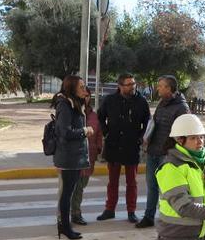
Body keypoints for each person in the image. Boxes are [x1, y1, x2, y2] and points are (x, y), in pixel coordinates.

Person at [136, 75, 190, 229]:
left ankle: (170, 218)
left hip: (167, 154)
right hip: (153, 150)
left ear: (169, 88)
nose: (158, 88)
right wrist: (147, 136)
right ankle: (148, 216)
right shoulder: (162, 103)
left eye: (161, 86)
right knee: (151, 185)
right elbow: (155, 123)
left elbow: (183, 134)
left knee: (167, 188)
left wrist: (169, 149)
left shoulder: (182, 108)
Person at [96, 73, 151, 223]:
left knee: (131, 182)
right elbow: (100, 116)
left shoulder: (141, 101)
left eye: (133, 84)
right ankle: (109, 209)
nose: (132, 87)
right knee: (112, 181)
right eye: (128, 84)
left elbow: (147, 121)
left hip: (131, 146)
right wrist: (106, 131)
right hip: (113, 145)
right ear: (120, 86)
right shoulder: (110, 100)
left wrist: (140, 137)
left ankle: (131, 211)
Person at [51, 75, 93, 240]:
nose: (85, 90)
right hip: (68, 157)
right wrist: (85, 130)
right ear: (72, 88)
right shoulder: (65, 105)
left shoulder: (75, 104)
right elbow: (64, 132)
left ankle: (65, 226)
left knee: (69, 192)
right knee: (66, 194)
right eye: (81, 87)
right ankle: (65, 227)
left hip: (75, 156)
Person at [69, 95, 103, 225]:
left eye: (88, 95)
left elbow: (99, 132)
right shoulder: (72, 112)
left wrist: (99, 147)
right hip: (75, 156)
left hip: (90, 155)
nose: (86, 97)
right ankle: (74, 213)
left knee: (81, 186)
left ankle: (75, 212)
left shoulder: (94, 115)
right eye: (83, 94)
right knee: (73, 187)